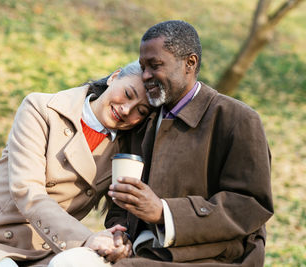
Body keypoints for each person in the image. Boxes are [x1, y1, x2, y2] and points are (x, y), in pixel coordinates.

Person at [49, 20, 273, 267]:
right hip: (140, 251)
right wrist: (120, 234)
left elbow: (251, 205)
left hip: (212, 257)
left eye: (155, 66)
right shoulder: (144, 118)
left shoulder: (237, 119)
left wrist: (164, 212)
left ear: (190, 63)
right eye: (143, 66)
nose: (145, 76)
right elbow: (120, 202)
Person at [0, 60, 151, 267]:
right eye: (128, 94)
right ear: (114, 77)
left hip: (50, 251)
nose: (126, 110)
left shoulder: (125, 147)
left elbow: (120, 208)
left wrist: (117, 239)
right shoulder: (42, 109)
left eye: (140, 111)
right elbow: (27, 191)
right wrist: (86, 239)